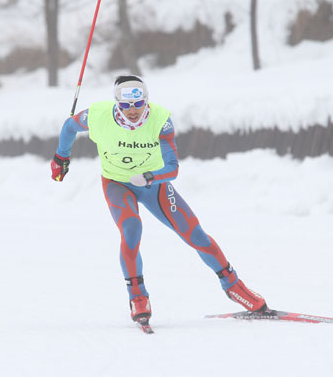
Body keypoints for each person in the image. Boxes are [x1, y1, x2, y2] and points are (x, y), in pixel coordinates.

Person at [50, 75, 272, 324]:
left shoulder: (161, 120)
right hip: (116, 183)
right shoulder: (97, 115)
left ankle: (234, 287)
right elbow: (69, 126)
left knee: (194, 234)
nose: (133, 111)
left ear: (146, 101)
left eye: (138, 104)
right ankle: (138, 297)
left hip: (153, 184)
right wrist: (61, 158)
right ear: (116, 104)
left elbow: (173, 168)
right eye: (125, 105)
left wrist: (149, 177)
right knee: (131, 229)